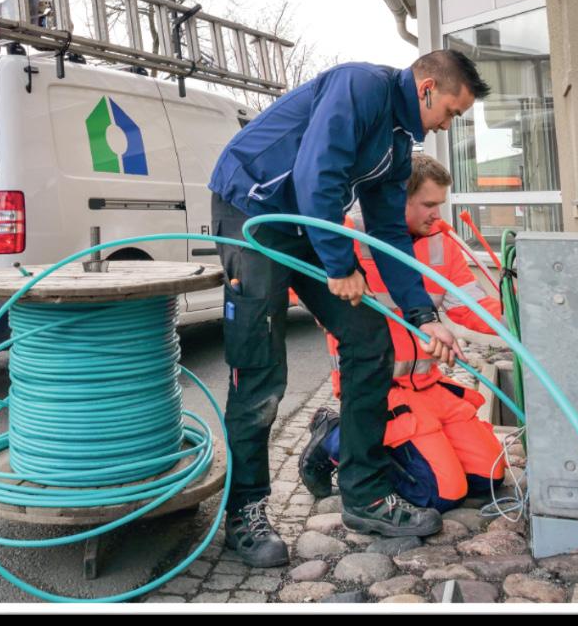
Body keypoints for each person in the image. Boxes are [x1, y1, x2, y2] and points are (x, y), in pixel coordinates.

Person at [208, 50, 490, 567]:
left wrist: (424, 316)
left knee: (369, 339)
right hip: (253, 211)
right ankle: (245, 511)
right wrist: (339, 265)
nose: (448, 124)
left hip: (306, 223)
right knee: (260, 368)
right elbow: (320, 173)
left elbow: (388, 236)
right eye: (450, 111)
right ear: (427, 88)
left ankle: (365, 493)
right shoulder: (359, 86)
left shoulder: (398, 142)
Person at [299, 154, 507, 513]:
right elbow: (302, 289)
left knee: (488, 477)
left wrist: (522, 317)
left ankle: (395, 445)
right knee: (441, 494)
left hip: (429, 385)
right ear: (398, 198)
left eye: (439, 204)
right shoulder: (348, 235)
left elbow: (469, 307)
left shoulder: (442, 241)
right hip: (376, 389)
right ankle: (334, 436)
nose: (437, 215)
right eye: (429, 204)